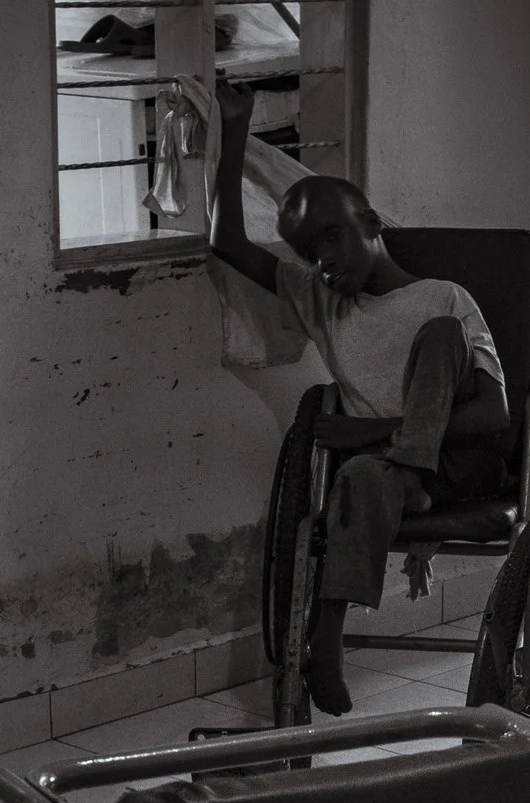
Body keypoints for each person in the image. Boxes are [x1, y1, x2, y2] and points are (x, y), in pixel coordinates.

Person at [209, 79, 513, 716]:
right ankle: (327, 641)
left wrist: (373, 434)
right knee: (365, 482)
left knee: (436, 342)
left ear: (370, 225)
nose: (321, 262)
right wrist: (234, 130)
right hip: (394, 480)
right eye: (305, 252)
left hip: (462, 466)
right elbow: (227, 245)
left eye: (329, 238)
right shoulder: (324, 303)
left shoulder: (444, 298)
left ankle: (402, 463)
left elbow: (495, 414)